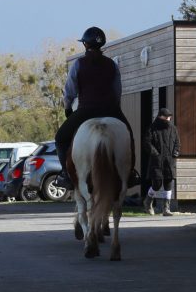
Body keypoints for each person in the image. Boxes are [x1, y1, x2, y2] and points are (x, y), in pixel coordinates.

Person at [54, 26, 136, 189]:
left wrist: (68, 107)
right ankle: (132, 173)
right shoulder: (112, 65)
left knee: (60, 138)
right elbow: (117, 90)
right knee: (129, 136)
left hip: (86, 111)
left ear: (85, 44)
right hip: (111, 109)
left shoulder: (79, 64)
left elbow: (70, 90)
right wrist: (114, 108)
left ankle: (66, 174)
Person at [143, 108, 180, 216]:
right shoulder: (152, 128)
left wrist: (176, 152)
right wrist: (155, 153)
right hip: (157, 161)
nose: (169, 118)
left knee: (168, 183)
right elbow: (147, 142)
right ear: (160, 116)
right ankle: (148, 201)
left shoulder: (173, 128)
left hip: (169, 160)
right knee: (157, 184)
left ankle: (166, 209)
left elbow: (177, 142)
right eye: (167, 116)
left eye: (169, 116)